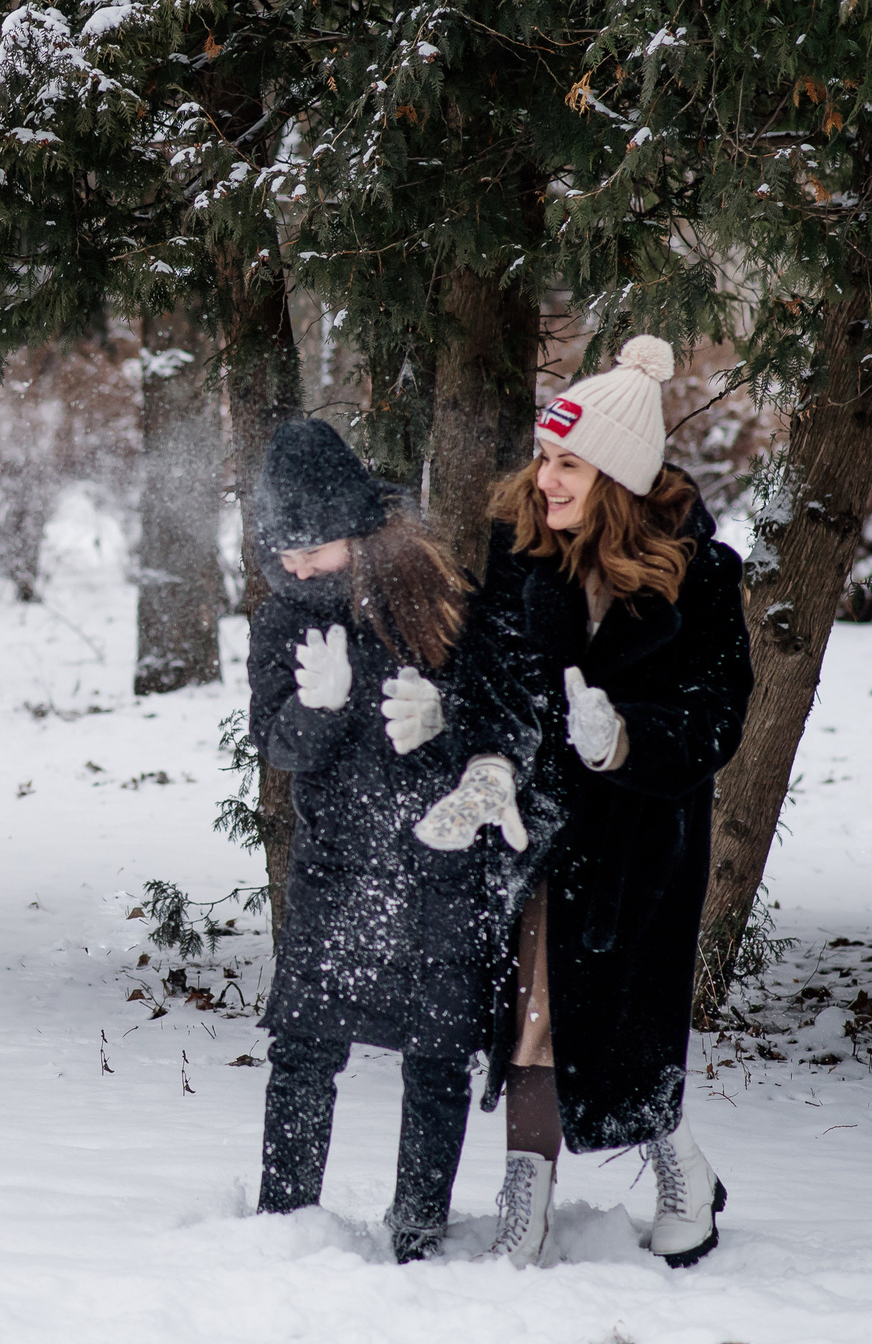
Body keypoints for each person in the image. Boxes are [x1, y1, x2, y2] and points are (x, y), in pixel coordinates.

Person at [477, 335, 753, 1269]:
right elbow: (485, 672)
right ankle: (527, 1188)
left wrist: (627, 737)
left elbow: (718, 716)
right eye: (543, 457)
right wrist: (460, 722)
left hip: (641, 844)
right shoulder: (519, 554)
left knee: (624, 1026)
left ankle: (679, 1162)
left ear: (617, 478)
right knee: (533, 1010)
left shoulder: (703, 575)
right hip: (538, 828)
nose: (544, 479)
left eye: (567, 463)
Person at [248, 418, 546, 1262]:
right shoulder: (283, 622)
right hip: (337, 867)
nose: (297, 564)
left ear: (354, 523)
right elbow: (275, 743)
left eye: (311, 546)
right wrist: (321, 706)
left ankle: (418, 1231)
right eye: (283, 548)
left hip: (439, 862)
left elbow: (502, 719)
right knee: (304, 1048)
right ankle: (283, 1221)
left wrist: (444, 722)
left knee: (438, 1057)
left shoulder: (432, 587)